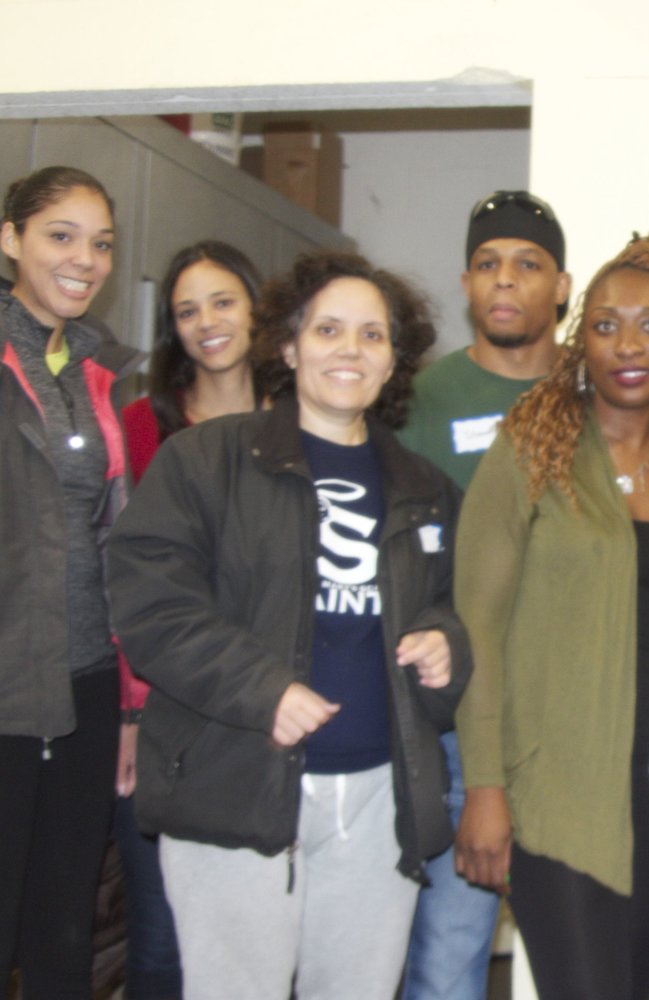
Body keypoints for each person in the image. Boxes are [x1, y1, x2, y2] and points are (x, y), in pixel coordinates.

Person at [105, 250, 471, 1000]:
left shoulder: (425, 488)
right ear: (288, 345)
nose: (349, 349)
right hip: (237, 791)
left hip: (379, 803)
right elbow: (151, 604)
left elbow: (455, 606)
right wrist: (262, 688)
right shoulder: (205, 462)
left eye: (373, 335)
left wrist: (447, 643)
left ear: (394, 360)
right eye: (329, 328)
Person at [453, 235, 649, 1000]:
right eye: (606, 325)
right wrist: (484, 787)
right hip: (554, 793)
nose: (628, 345)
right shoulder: (529, 454)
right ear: (581, 340)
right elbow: (476, 624)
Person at [400, 189, 571, 1000]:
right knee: (448, 956)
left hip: (575, 720)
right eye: (488, 264)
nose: (506, 281)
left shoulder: (598, 396)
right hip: (461, 720)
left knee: (582, 951)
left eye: (528, 264)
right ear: (467, 283)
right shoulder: (418, 402)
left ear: (562, 287)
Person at [0, 166, 141, 1000]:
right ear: (9, 239)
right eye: (60, 235)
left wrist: (127, 705)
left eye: (102, 244)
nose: (85, 259)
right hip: (7, 691)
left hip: (87, 689)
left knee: (63, 935)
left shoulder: (98, 376)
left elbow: (114, 547)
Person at [114, 239, 264, 1000]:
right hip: (169, 717)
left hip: (279, 717)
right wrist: (131, 714)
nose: (207, 322)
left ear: (256, 307)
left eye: (223, 301)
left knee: (268, 944)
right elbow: (130, 581)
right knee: (164, 942)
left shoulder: (308, 417)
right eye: (186, 311)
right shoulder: (143, 426)